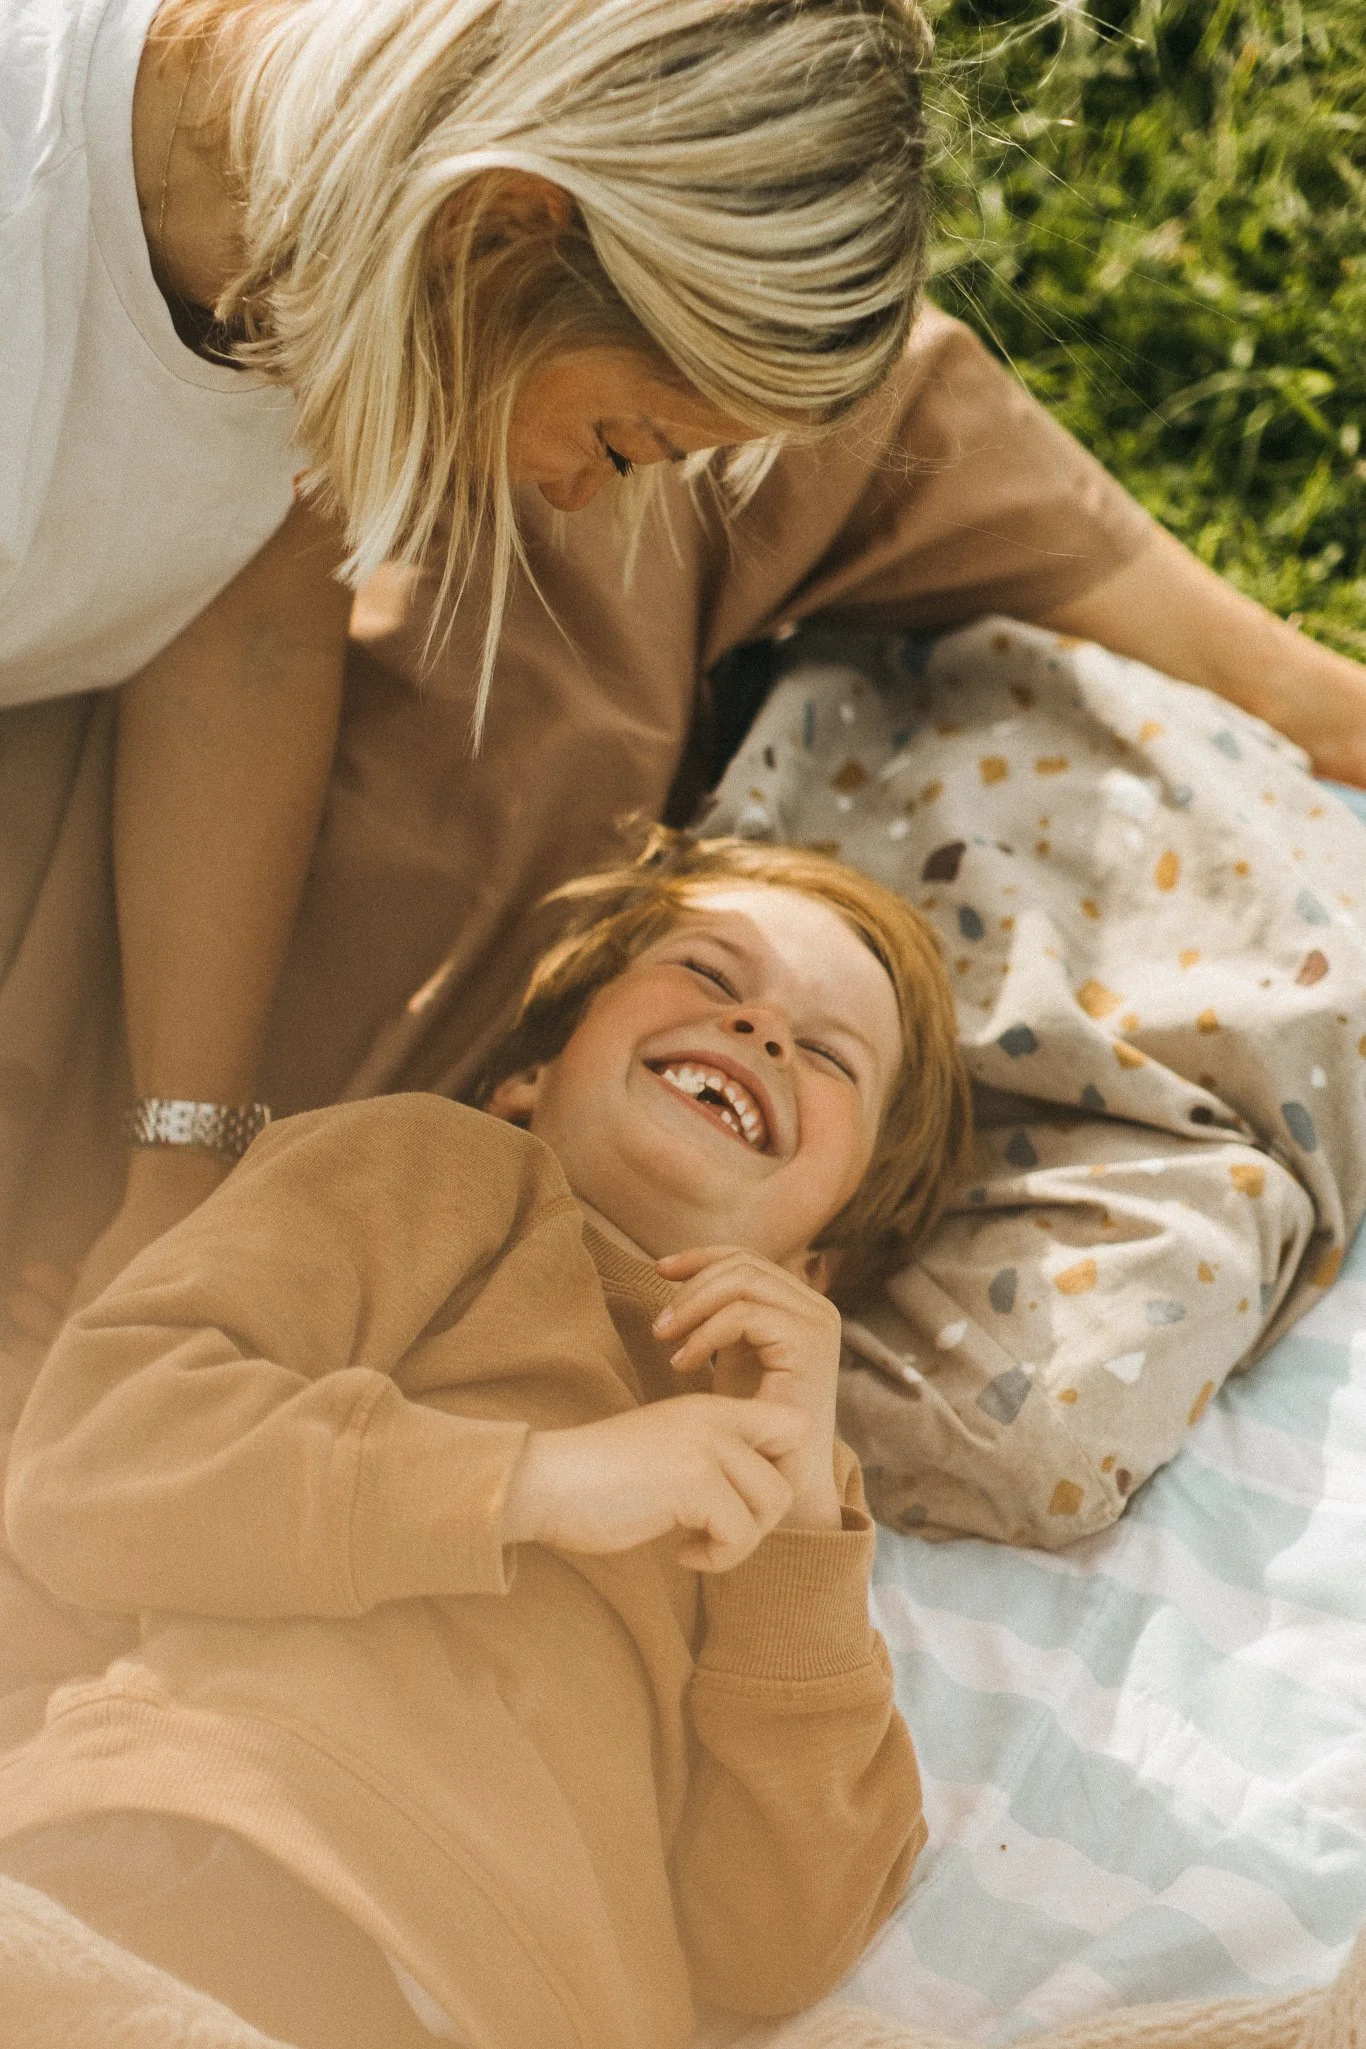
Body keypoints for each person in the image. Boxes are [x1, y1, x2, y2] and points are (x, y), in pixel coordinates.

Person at [0, 0, 934, 1315]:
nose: (574, 501)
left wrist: (177, 1162)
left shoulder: (324, 248)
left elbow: (247, 637)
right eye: (620, 444)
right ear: (500, 230)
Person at [0, 831, 969, 2049]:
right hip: (213, 1849)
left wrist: (798, 1526)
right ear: (526, 1077)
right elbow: (91, 1463)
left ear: (822, 1256)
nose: (764, 1032)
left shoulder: (791, 1481)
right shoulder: (423, 1163)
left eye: (826, 1054)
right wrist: (532, 1485)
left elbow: (775, 1944)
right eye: (713, 978)